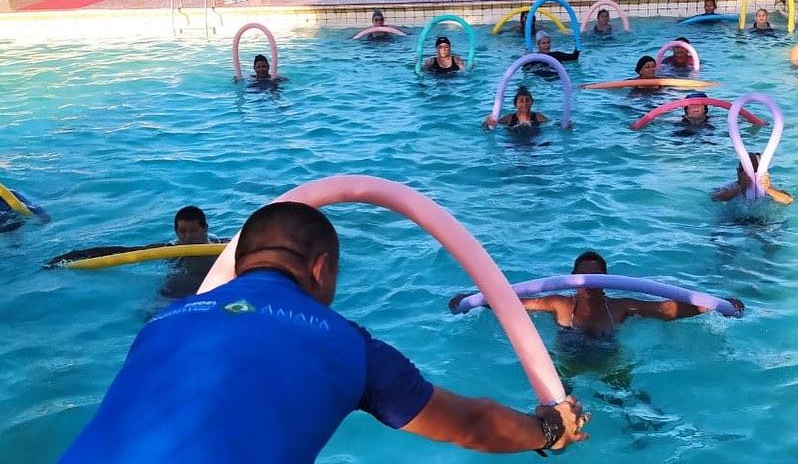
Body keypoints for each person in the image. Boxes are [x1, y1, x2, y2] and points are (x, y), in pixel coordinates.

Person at [61, 202, 590, 462]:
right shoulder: (343, 343)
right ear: (320, 270)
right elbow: (471, 424)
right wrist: (547, 431)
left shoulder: (162, 325)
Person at [451, 251, 744, 339]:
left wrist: (715, 306)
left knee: (634, 407)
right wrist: (473, 300)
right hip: (570, 361)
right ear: (574, 279)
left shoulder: (620, 307)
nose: (589, 281)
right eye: (584, 275)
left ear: (605, 280)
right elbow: (517, 304)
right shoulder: (560, 303)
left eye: (595, 275)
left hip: (608, 358)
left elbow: (666, 309)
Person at [45, 206, 227, 298]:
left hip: (213, 289)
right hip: (174, 292)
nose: (187, 236)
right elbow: (125, 252)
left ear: (204, 229)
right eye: (182, 231)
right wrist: (71, 257)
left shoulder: (221, 246)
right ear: (176, 232)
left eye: (193, 231)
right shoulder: (169, 250)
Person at [711, 152, 794, 204]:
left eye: (753, 171)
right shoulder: (731, 186)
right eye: (744, 171)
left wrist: (768, 190)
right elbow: (715, 198)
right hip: (737, 221)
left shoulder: (766, 186)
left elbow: (788, 200)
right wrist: (740, 189)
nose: (748, 175)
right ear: (738, 171)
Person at [484, 86, 550, 129]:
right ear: (515, 104)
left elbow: (552, 125)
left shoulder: (538, 117)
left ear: (532, 102)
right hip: (514, 146)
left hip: (534, 144)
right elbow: (490, 127)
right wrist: (487, 122)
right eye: (521, 101)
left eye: (527, 100)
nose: (524, 104)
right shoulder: (509, 118)